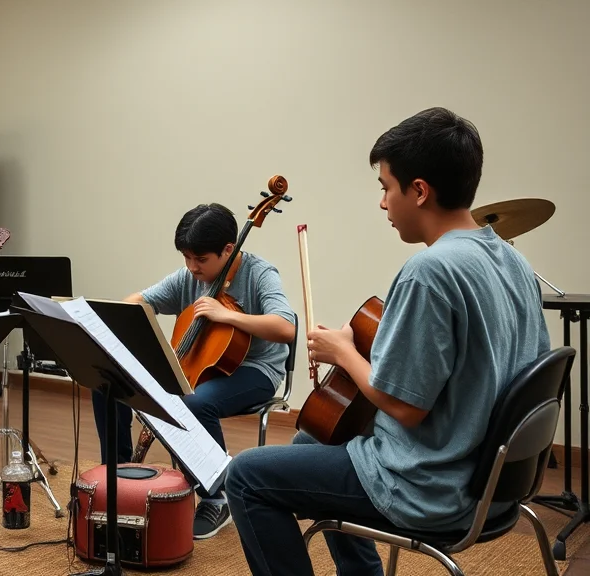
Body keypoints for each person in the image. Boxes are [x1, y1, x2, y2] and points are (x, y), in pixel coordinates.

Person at [224, 107, 552, 575]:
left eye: (385, 187)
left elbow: (404, 406)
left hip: (430, 487)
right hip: (492, 483)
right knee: (312, 436)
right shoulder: (512, 259)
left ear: (419, 191)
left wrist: (344, 352)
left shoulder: (430, 271)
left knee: (245, 476)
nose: (382, 203)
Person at [91, 202, 297, 540]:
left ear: (228, 250)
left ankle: (216, 496)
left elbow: (285, 327)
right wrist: (118, 314)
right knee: (107, 379)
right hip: (200, 364)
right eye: (186, 257)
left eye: (200, 259)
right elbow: (142, 300)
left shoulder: (260, 273)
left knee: (194, 402)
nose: (191, 267)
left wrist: (227, 315)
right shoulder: (189, 275)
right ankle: (117, 475)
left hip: (255, 369)